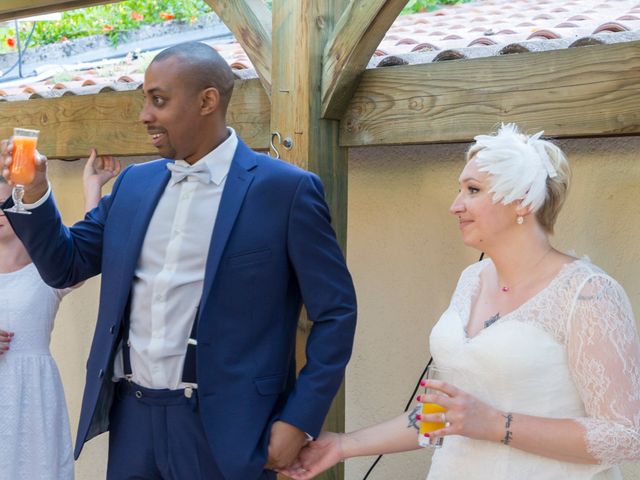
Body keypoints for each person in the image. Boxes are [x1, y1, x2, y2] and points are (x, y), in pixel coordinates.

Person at [1, 41, 357, 480]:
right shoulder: (133, 185)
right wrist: (35, 192)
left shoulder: (285, 191)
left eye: (159, 100)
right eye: (145, 99)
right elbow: (65, 264)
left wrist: (299, 419)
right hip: (133, 422)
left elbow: (336, 313)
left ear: (208, 100)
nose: (145, 114)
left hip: (228, 428)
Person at [280, 124, 640, 480]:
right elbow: (448, 415)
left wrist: (497, 424)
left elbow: (626, 437)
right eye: (460, 190)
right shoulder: (472, 281)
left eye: (473, 190)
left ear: (523, 200)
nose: (455, 206)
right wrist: (344, 445)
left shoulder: (588, 294)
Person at [0, 150, 120, 480]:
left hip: (34, 396)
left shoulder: (48, 270)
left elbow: (85, 251)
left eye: (5, 205)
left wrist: (92, 187)